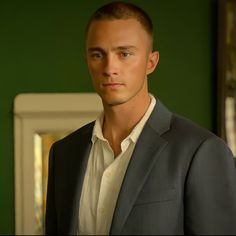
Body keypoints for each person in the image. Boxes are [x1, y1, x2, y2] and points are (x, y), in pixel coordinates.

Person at [45, 1, 236, 235]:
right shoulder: (64, 154)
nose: (109, 68)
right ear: (87, 61)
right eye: (98, 55)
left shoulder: (200, 151)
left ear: (151, 62)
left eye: (124, 54)